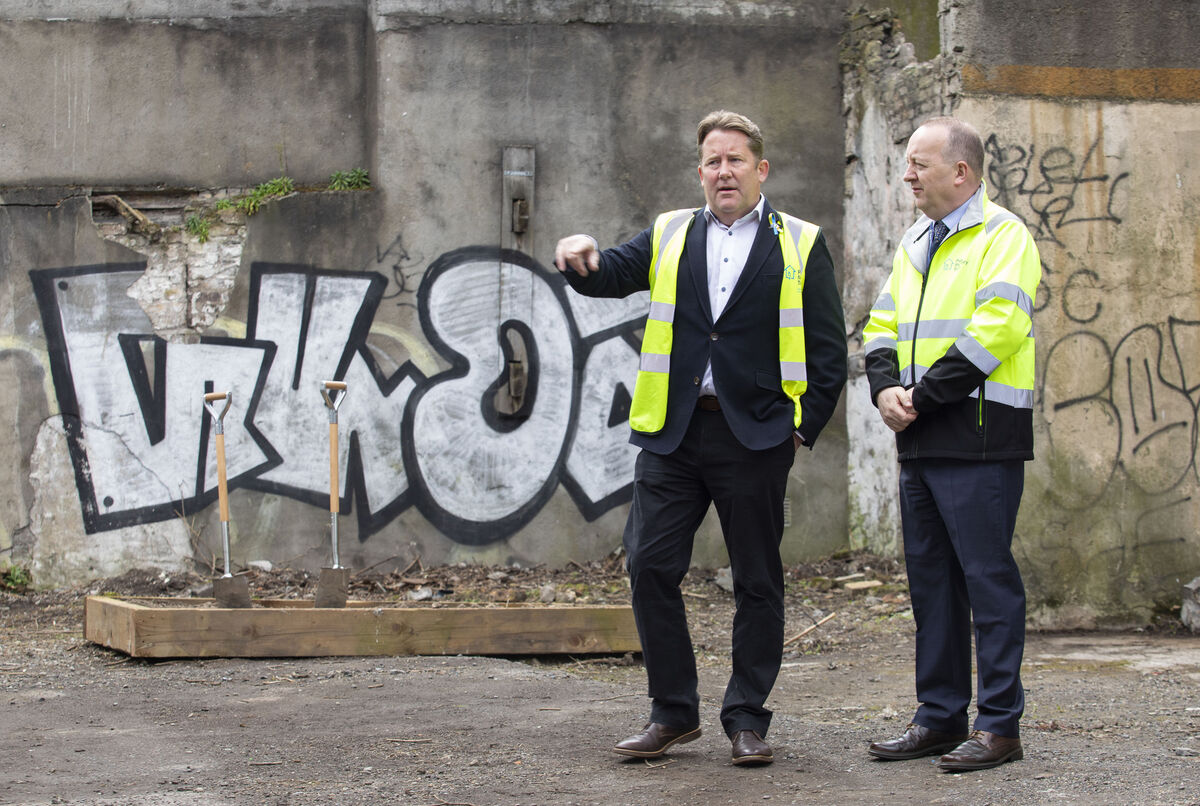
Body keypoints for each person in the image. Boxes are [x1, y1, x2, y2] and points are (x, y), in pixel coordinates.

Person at [554, 110, 847, 766]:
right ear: (700, 172)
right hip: (673, 432)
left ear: (760, 169)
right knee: (650, 565)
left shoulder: (800, 242)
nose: (723, 171)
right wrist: (580, 257)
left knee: (757, 579)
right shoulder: (670, 232)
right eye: (712, 161)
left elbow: (829, 349)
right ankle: (672, 712)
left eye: (736, 159)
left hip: (755, 436)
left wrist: (800, 429)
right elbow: (609, 274)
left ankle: (747, 718)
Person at [862, 117, 1041, 772]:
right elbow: (880, 324)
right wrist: (884, 389)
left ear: (960, 172)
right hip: (921, 439)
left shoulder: (1004, 236)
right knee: (932, 587)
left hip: (980, 440)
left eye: (918, 163)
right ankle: (939, 718)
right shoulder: (915, 242)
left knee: (988, 584)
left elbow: (995, 332)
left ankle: (1000, 727)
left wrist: (919, 397)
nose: (906, 174)